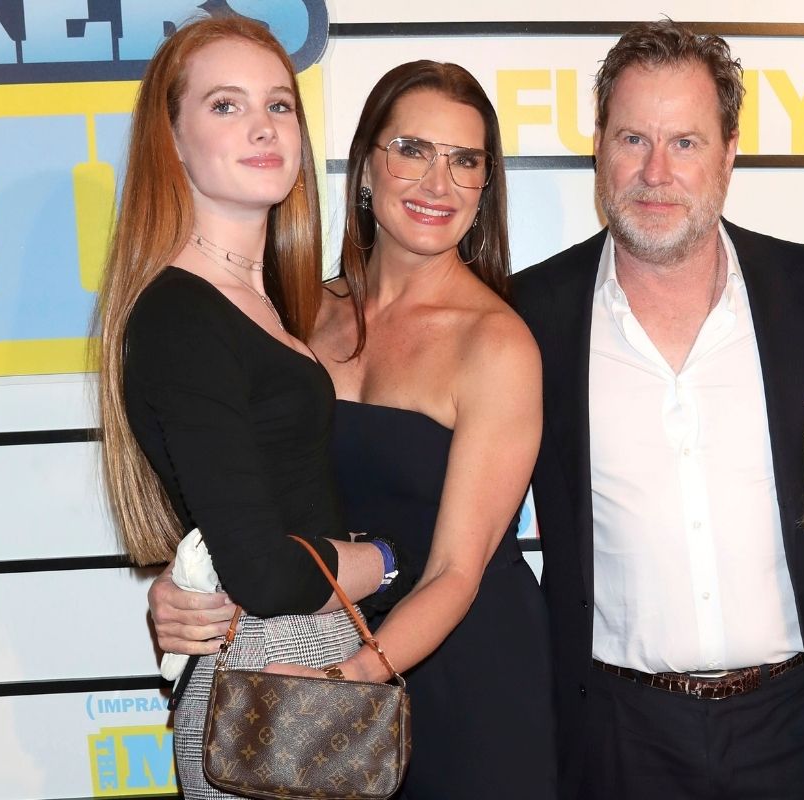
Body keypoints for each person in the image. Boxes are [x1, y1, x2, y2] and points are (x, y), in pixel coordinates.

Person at [147, 60, 557, 799]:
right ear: (367, 165)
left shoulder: (496, 345)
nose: (438, 184)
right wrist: (188, 587)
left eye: (465, 161)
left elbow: (456, 571)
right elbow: (248, 504)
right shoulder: (293, 314)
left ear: (485, 187)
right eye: (412, 150)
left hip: (460, 676)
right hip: (313, 644)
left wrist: (344, 685)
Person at [511, 20, 804, 800]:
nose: (655, 172)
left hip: (799, 725)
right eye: (633, 138)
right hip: (616, 735)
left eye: (687, 143)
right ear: (598, 144)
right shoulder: (529, 313)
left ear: (730, 153)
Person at [94, 16, 392, 799]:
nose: (263, 125)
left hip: (305, 661)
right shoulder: (183, 315)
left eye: (279, 105)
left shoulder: (262, 306)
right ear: (174, 140)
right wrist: (386, 561)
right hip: (268, 670)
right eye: (225, 106)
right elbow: (261, 569)